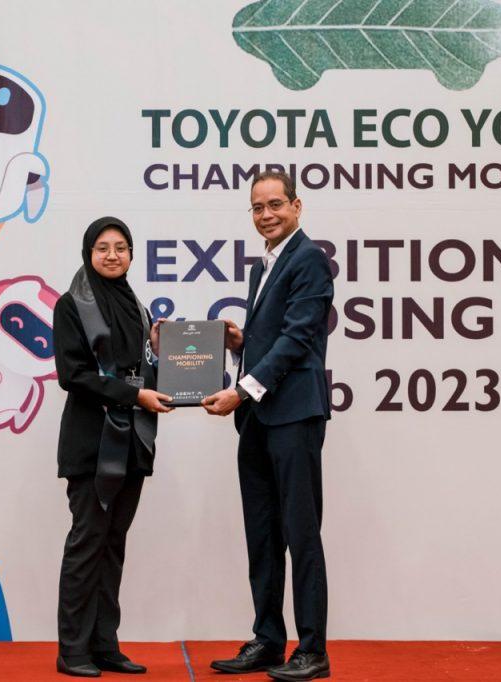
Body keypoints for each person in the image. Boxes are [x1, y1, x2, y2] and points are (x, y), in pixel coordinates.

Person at [202, 171, 334, 681]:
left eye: (275, 204)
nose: (266, 215)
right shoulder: (266, 265)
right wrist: (242, 343)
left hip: (293, 415)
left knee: (301, 533)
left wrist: (239, 390)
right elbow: (276, 335)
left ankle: (313, 650)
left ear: (297, 206)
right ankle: (268, 640)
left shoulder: (310, 259)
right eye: (257, 207)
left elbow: (298, 339)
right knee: (262, 534)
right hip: (259, 418)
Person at [53, 217, 173, 677]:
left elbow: (139, 371)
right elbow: (74, 375)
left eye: (121, 247)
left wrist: (156, 349)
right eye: (102, 247)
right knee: (87, 544)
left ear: (131, 255)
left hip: (131, 444)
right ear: (89, 253)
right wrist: (133, 396)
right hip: (91, 445)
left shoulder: (136, 307)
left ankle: (104, 645)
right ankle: (73, 650)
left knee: (113, 545)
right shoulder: (71, 305)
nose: (112, 255)